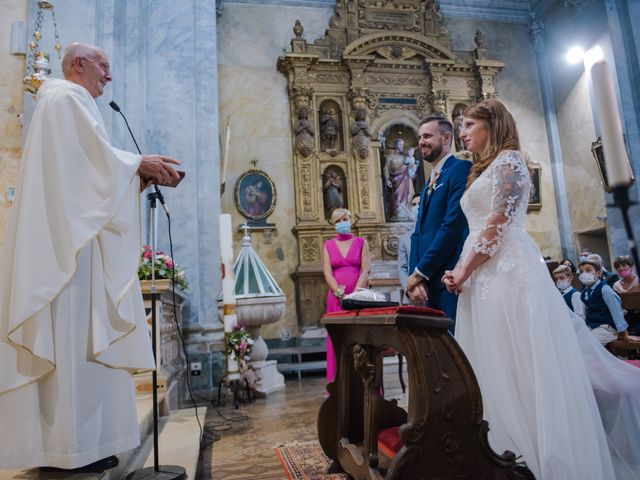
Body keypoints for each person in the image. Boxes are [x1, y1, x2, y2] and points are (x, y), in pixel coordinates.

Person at [0, 42, 181, 470]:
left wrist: (131, 179)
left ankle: (83, 446)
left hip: (72, 244)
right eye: (104, 65)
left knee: (79, 348)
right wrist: (138, 163)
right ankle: (71, 450)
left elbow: (83, 178)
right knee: (72, 342)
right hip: (68, 259)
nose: (109, 75)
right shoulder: (66, 98)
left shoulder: (65, 102)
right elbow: (91, 169)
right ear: (78, 64)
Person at [443, 98, 640, 479]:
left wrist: (464, 268)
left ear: (493, 123)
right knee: (490, 358)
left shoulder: (511, 161)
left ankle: (531, 456)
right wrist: (463, 270)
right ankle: (497, 449)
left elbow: (498, 223)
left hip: (505, 271)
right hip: (481, 274)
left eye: (468, 124)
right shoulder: (480, 169)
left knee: (516, 357)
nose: (462, 133)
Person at [406, 115, 470, 323]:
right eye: (419, 137)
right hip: (428, 283)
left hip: (448, 278)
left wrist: (421, 272)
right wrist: (415, 279)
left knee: (456, 348)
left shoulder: (460, 169)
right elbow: (418, 234)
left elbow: (451, 227)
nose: (421, 141)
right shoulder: (427, 184)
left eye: (427, 136)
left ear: (446, 137)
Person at [323, 208, 370, 383]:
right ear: (334, 225)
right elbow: (327, 273)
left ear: (351, 220)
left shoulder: (361, 242)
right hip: (336, 299)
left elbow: (365, 270)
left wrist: (356, 293)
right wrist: (339, 292)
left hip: (358, 298)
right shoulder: (328, 245)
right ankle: (339, 383)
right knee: (338, 340)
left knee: (360, 338)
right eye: (338, 221)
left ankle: (362, 381)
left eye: (345, 219)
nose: (342, 223)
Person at [578, 255, 638, 345]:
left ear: (598, 273)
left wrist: (625, 335)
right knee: (575, 341)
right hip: (593, 326)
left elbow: (617, 312)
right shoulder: (585, 292)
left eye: (588, 270)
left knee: (587, 344)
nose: (584, 274)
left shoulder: (605, 289)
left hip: (608, 328)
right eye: (581, 272)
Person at [397, 194, 421, 304]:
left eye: (420, 204)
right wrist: (409, 288)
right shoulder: (404, 239)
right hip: (412, 292)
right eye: (414, 204)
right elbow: (402, 268)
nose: (417, 207)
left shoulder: (437, 233)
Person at [383, 138, 415, 220]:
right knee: (397, 197)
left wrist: (412, 163)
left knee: (407, 195)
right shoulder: (390, 156)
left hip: (405, 178)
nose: (402, 146)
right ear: (395, 145)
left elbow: (411, 168)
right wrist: (387, 179)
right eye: (400, 144)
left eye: (403, 144)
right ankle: (398, 214)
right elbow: (386, 168)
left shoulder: (405, 156)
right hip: (395, 179)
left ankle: (406, 214)